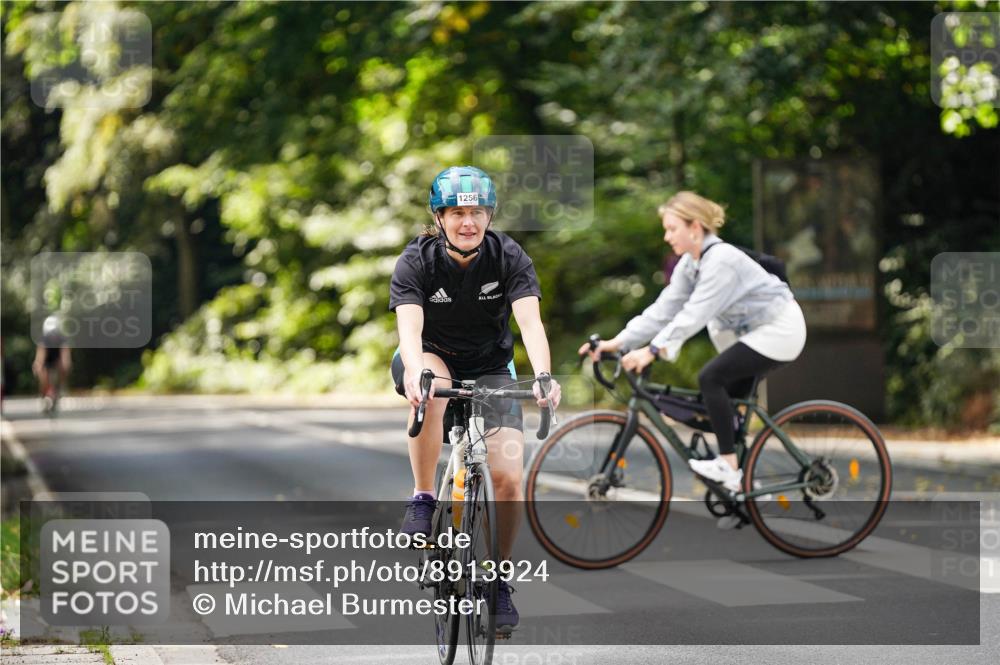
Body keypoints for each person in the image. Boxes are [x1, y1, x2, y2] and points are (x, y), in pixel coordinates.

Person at [389, 165, 562, 632]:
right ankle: (423, 497)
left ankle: (497, 579)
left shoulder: (508, 256)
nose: (469, 221)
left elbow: (530, 323)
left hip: (490, 367)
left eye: (478, 212)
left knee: (507, 477)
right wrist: (415, 374)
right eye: (458, 212)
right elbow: (410, 328)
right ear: (439, 217)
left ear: (489, 215)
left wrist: (544, 376)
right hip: (432, 354)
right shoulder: (417, 261)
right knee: (430, 385)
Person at [581, 191, 806, 500]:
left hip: (780, 329)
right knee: (722, 403)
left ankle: (728, 466)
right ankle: (741, 490)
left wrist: (653, 350)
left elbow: (694, 314)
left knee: (711, 378)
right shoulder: (692, 263)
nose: (666, 236)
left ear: (695, 228)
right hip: (753, 333)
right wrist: (617, 343)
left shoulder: (721, 260)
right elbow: (663, 310)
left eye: (672, 228)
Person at [33, 314, 71, 407]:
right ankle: (44, 393)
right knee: (42, 374)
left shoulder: (62, 339)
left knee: (63, 367)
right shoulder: (43, 340)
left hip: (57, 359)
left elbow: (65, 352)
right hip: (46, 359)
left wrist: (66, 364)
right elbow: (40, 355)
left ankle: (60, 387)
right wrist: (38, 365)